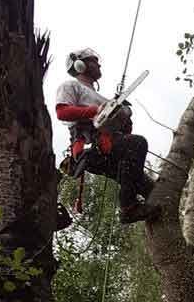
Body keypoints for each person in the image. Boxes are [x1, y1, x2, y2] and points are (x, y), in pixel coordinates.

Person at [55, 47, 154, 223]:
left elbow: (124, 132)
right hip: (91, 147)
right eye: (94, 60)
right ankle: (128, 208)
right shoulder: (71, 86)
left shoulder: (101, 98)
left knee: (149, 187)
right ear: (80, 65)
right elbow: (62, 112)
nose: (98, 63)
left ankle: (148, 212)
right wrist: (96, 110)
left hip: (111, 146)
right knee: (138, 143)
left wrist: (122, 117)